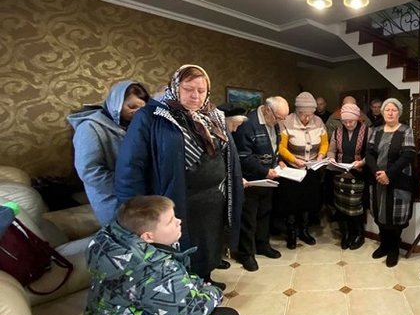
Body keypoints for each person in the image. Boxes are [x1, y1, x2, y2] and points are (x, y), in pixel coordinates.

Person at [78, 195, 241, 315]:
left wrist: (194, 286)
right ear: (148, 236)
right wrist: (213, 291)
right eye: (171, 221)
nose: (179, 221)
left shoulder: (110, 240)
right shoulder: (154, 268)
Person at [115, 65, 244, 291]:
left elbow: (227, 155)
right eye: (188, 89)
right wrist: (133, 209)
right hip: (179, 201)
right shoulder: (152, 116)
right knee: (182, 247)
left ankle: (206, 279)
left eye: (201, 90)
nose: (195, 96)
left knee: (209, 243)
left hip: (213, 199)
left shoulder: (213, 116)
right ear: (175, 87)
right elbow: (130, 166)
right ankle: (187, 291)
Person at [68, 81, 149, 226]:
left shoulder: (133, 125)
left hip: (137, 194)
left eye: (141, 108)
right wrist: (126, 188)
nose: (136, 112)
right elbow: (89, 171)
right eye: (131, 106)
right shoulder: (89, 128)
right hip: (110, 197)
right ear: (116, 104)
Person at [232, 96, 289, 271]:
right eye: (279, 117)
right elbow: (243, 156)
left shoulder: (274, 123)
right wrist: (265, 171)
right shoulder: (248, 124)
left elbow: (273, 147)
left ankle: (262, 245)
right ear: (266, 109)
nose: (281, 121)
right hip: (252, 180)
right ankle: (245, 254)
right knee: (248, 218)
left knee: (265, 213)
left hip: (269, 178)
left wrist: (278, 162)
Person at [365, 98, 416, 267]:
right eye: (387, 109)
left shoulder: (406, 131)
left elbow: (408, 155)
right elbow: (369, 154)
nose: (390, 112)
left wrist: (389, 174)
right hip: (378, 180)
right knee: (380, 214)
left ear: (399, 113)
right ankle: (384, 245)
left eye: (394, 110)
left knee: (395, 217)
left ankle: (394, 248)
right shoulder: (376, 131)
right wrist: (377, 173)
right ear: (382, 112)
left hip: (398, 180)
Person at [277, 92, 328, 249]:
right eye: (304, 115)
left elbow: (325, 143)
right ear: (297, 111)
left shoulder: (318, 121)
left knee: (308, 200)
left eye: (310, 114)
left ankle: (304, 230)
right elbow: (281, 147)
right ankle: (291, 232)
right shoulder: (286, 121)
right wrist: (293, 160)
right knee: (291, 202)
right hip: (292, 170)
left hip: (311, 168)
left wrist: (320, 155)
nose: (307, 118)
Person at [327, 103, 369, 250]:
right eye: (345, 121)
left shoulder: (367, 131)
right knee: (341, 207)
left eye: (351, 121)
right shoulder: (337, 131)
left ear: (357, 118)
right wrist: (331, 158)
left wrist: (361, 162)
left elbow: (370, 153)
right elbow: (331, 150)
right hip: (340, 174)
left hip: (357, 174)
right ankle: (345, 234)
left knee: (355, 207)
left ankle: (358, 234)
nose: (348, 124)